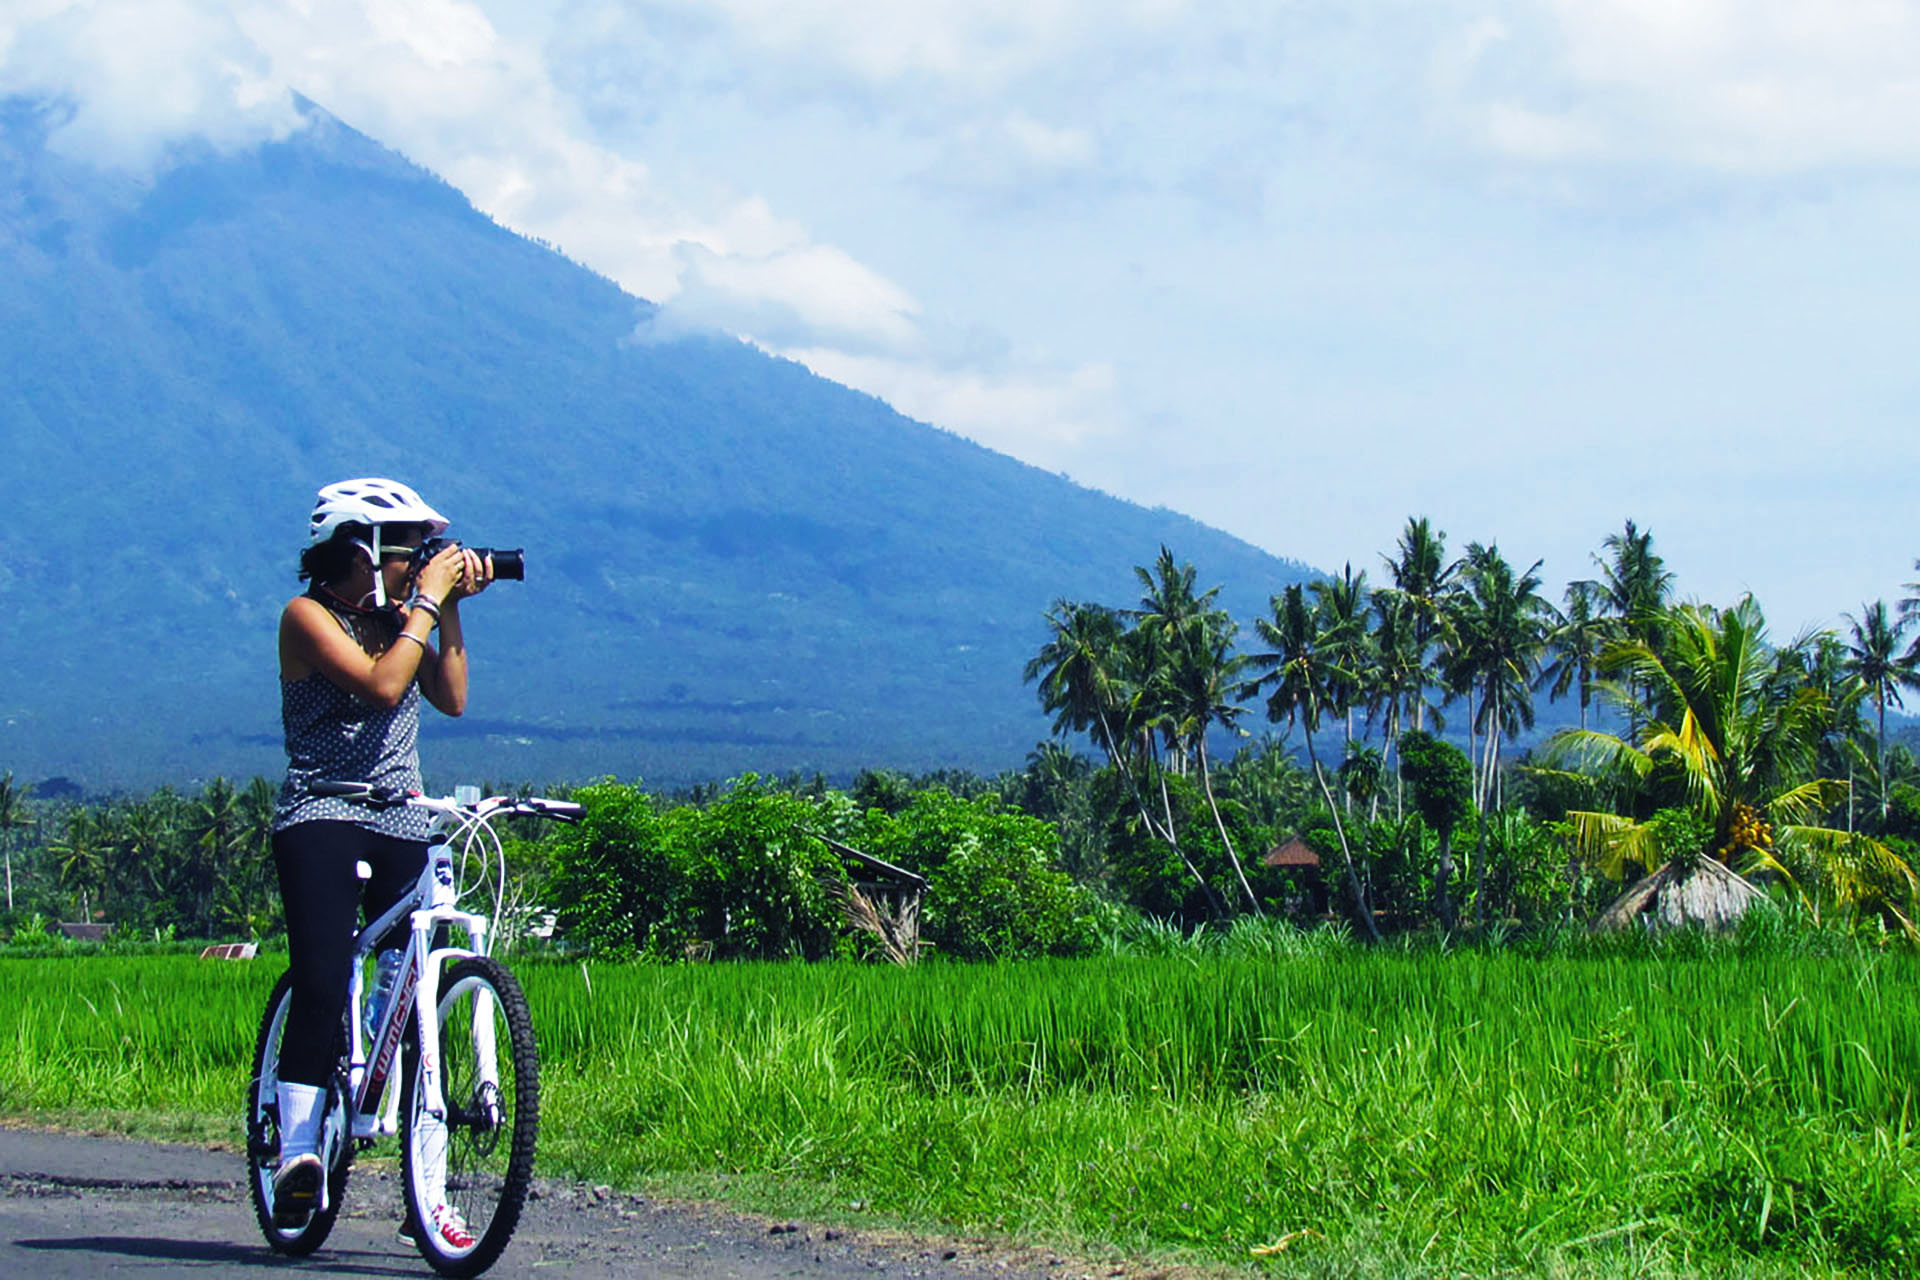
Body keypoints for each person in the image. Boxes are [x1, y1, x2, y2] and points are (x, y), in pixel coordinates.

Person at [268, 478, 491, 1236]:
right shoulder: (307, 618)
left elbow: (451, 697)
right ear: (359, 549)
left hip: (400, 814)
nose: (415, 566)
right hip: (324, 810)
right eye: (405, 554)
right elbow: (379, 683)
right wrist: (427, 603)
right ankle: (298, 1152)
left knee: (415, 987)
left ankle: (425, 1188)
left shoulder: (402, 617)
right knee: (325, 976)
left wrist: (447, 605)